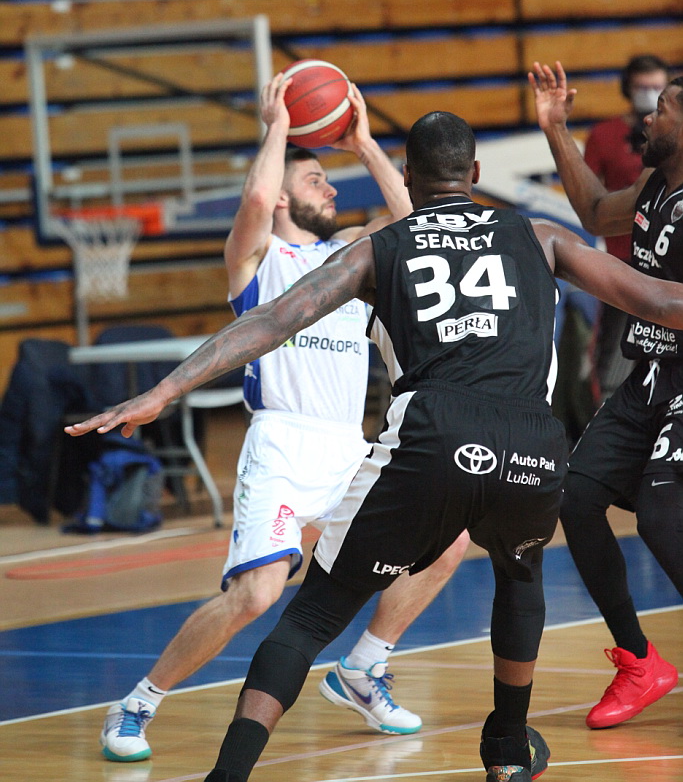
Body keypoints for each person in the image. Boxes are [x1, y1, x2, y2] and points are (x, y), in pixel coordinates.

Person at [66, 107, 683, 781]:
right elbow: (658, 302)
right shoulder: (538, 235)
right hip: (533, 441)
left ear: (409, 178)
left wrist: (164, 390)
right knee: (520, 574)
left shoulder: (378, 248)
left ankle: (230, 773)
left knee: (310, 618)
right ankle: (508, 745)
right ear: (475, 173)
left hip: (433, 433)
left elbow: (275, 319)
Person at [92, 74, 468, 762]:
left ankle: (363, 668)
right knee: (256, 594)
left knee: (448, 540)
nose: (330, 190)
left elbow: (417, 219)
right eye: (316, 179)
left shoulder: (353, 259)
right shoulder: (259, 258)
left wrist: (362, 143)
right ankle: (137, 702)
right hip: (283, 442)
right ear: (288, 197)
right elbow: (257, 200)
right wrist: (277, 128)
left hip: (349, 447)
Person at [531, 60, 681, 730]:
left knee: (661, 514)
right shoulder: (654, 184)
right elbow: (593, 210)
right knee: (575, 497)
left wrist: (594, 274)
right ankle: (640, 661)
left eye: (664, 108)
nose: (649, 116)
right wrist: (554, 128)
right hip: (649, 374)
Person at [584, 54, 669, 403]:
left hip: (669, 264)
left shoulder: (673, 136)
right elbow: (589, 198)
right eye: (642, 87)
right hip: (621, 263)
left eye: (656, 87)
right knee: (613, 358)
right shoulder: (604, 135)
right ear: (627, 88)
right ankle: (604, 419)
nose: (649, 94)